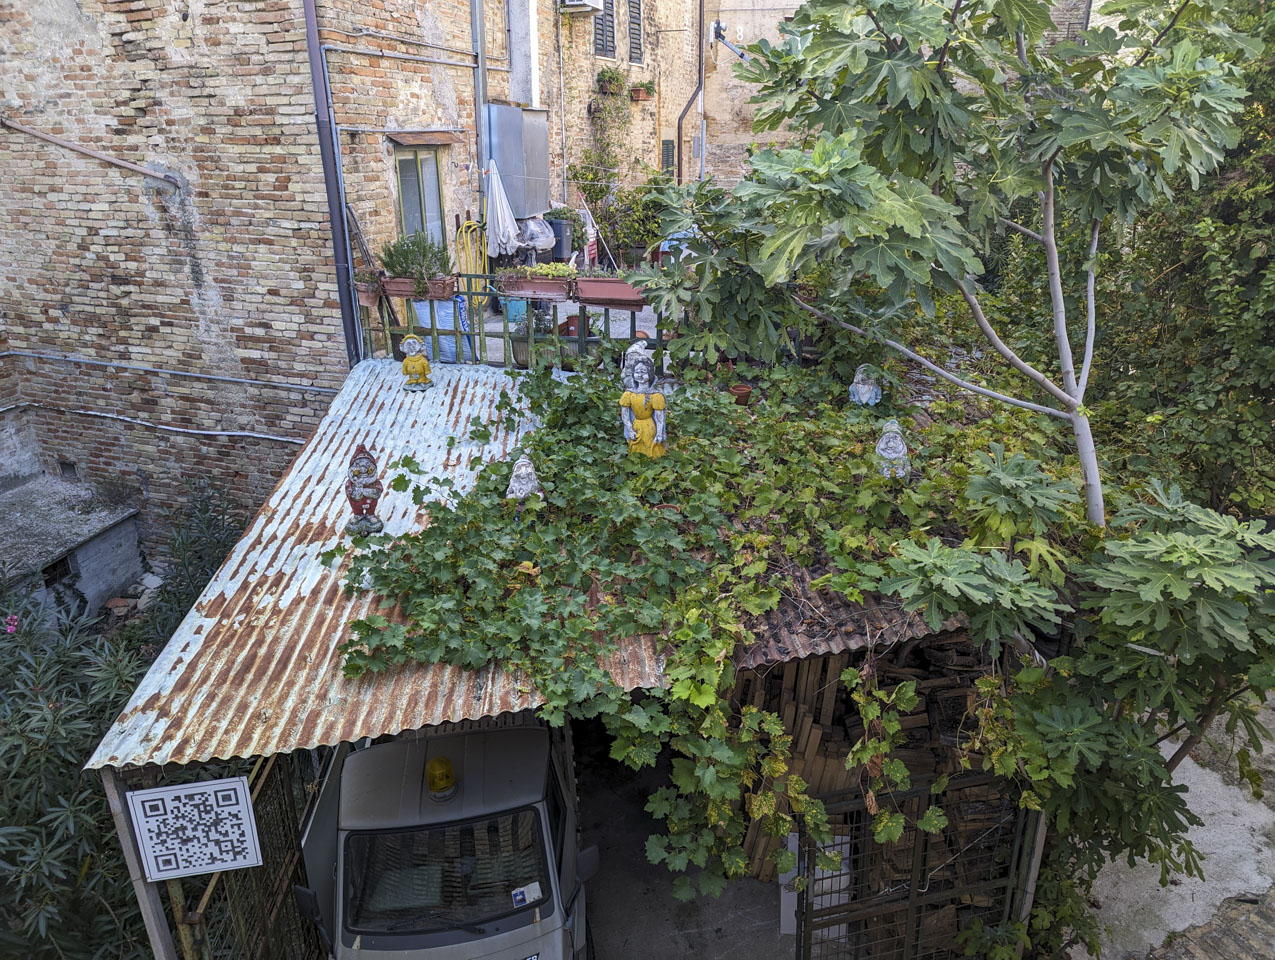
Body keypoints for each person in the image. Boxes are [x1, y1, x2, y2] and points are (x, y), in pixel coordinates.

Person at [620, 355, 667, 458]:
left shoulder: (656, 396)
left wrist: (659, 433)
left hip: (650, 427)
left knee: (652, 448)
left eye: (643, 372)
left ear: (650, 374)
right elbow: (625, 416)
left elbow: (660, 418)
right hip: (636, 426)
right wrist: (630, 430)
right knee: (635, 448)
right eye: (637, 372)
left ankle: (654, 464)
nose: (640, 375)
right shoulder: (629, 395)